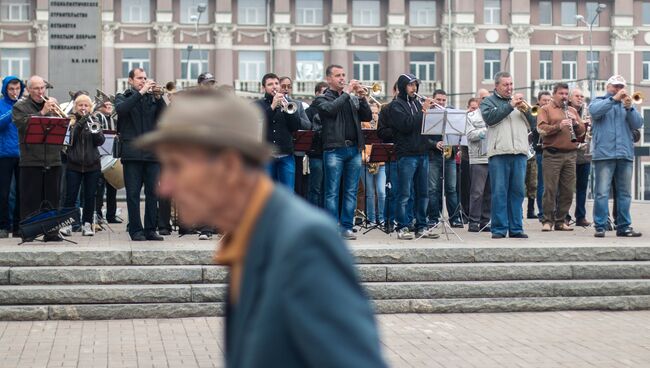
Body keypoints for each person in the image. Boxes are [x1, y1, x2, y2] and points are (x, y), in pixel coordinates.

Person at [135, 89, 387, 368]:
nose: (166, 184)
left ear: (229, 164)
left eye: (177, 166)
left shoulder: (303, 242)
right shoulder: (248, 238)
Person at [311, 64, 372, 240]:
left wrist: (362, 98)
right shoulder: (322, 99)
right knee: (331, 191)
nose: (342, 78)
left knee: (351, 190)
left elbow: (366, 116)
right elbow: (331, 110)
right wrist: (347, 93)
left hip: (353, 149)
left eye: (344, 75)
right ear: (329, 79)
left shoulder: (351, 99)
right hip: (334, 150)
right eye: (338, 75)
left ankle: (346, 226)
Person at [480, 71, 533, 239]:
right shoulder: (488, 102)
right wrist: (510, 105)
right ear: (496, 86)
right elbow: (490, 119)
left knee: (518, 192)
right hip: (499, 153)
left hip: (519, 152)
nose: (509, 88)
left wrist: (526, 110)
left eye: (511, 84)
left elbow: (534, 124)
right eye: (505, 85)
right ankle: (499, 229)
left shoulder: (521, 103)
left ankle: (516, 228)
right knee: (499, 192)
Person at [115, 67, 166, 241]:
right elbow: (121, 111)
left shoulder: (152, 99)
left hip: (152, 154)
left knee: (153, 193)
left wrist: (159, 99)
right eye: (139, 78)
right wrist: (142, 92)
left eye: (145, 78)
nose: (143, 81)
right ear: (130, 80)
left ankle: (151, 229)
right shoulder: (123, 97)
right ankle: (136, 230)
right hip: (132, 153)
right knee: (133, 194)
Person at [589, 75, 643, 238]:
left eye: (621, 86)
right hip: (604, 154)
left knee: (625, 193)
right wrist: (613, 100)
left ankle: (624, 226)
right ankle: (600, 225)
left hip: (624, 153)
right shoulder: (598, 101)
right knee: (602, 192)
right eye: (615, 86)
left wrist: (629, 108)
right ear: (608, 87)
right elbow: (594, 112)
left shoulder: (627, 104)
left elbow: (638, 124)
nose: (619, 89)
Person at [13, 75, 63, 241]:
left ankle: (52, 232)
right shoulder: (20, 107)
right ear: (28, 90)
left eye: (42, 88)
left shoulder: (51, 103)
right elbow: (22, 124)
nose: (40, 92)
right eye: (36, 88)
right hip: (31, 159)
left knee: (52, 198)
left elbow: (63, 126)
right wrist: (42, 112)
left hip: (53, 158)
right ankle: (29, 233)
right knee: (30, 199)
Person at [389, 74, 438, 240]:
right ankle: (402, 227)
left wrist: (430, 114)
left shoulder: (417, 103)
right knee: (404, 194)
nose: (414, 88)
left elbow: (424, 127)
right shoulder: (396, 106)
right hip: (407, 155)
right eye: (410, 85)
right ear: (403, 86)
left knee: (423, 193)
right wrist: (423, 111)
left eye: (415, 85)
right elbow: (406, 125)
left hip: (422, 153)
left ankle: (421, 226)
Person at [537, 82, 585, 232]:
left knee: (568, 190)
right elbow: (541, 129)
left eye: (566, 94)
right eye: (561, 94)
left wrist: (576, 123)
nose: (564, 97)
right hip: (552, 154)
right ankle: (547, 220)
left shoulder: (571, 110)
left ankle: (561, 220)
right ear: (554, 94)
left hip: (570, 154)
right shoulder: (545, 109)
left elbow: (582, 133)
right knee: (550, 189)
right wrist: (559, 126)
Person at [59, 95, 106, 236]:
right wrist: (81, 123)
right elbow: (70, 139)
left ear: (90, 108)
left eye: (86, 106)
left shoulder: (95, 120)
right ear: (75, 107)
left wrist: (96, 131)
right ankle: (67, 225)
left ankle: (87, 224)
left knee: (90, 196)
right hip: (74, 164)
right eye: (80, 105)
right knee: (71, 196)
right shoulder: (71, 121)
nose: (83, 108)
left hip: (92, 165)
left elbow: (100, 141)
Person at [254, 73, 301, 190]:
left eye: (276, 84)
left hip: (286, 155)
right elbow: (259, 125)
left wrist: (287, 110)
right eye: (270, 84)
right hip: (266, 157)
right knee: (265, 193)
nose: (274, 87)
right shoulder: (257, 105)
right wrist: (272, 107)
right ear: (263, 88)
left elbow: (295, 127)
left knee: (288, 192)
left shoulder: (287, 103)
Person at [427, 89, 462, 228]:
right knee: (433, 189)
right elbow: (423, 137)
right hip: (433, 156)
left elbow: (458, 133)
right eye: (438, 100)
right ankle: (433, 218)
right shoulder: (428, 115)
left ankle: (455, 218)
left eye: (443, 100)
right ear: (433, 100)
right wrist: (434, 143)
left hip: (449, 156)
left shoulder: (451, 115)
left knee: (451, 189)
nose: (441, 102)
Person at [278, 76, 311, 198]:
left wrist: (293, 114)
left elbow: (308, 125)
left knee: (294, 185)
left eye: (289, 87)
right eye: (283, 86)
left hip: (295, 151)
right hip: (277, 150)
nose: (286, 89)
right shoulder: (273, 104)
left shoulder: (297, 104)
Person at [0, 76, 24, 238]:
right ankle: (3, 226)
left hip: (23, 154)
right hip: (4, 154)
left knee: (22, 192)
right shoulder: (2, 105)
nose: (14, 92)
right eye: (11, 89)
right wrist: (13, 110)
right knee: (4, 193)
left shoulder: (24, 105)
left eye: (17, 89)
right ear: (5, 90)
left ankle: (17, 227)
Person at [465, 91, 492, 233]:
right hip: (478, 157)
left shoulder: (495, 114)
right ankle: (473, 221)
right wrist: (486, 131)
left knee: (490, 192)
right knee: (477, 192)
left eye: (488, 97)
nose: (486, 100)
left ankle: (485, 221)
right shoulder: (471, 116)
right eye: (483, 98)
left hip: (493, 156)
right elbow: (469, 134)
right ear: (478, 100)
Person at [93, 98, 121, 224]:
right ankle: (97, 214)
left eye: (111, 104)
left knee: (112, 187)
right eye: (106, 104)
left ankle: (111, 214)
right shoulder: (97, 118)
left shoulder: (114, 120)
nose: (109, 106)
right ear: (99, 107)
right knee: (99, 188)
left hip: (111, 156)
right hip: (99, 157)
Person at [568, 87, 592, 227]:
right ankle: (564, 216)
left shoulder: (587, 111)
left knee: (582, 188)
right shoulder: (565, 111)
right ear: (570, 98)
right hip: (569, 154)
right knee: (566, 188)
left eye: (582, 96)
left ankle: (581, 216)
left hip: (584, 154)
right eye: (577, 95)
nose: (580, 98)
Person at [360, 103, 386, 226]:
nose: (374, 116)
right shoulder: (361, 127)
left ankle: (381, 218)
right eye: (372, 113)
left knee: (381, 192)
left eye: (376, 113)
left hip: (380, 163)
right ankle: (370, 219)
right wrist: (366, 157)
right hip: (365, 163)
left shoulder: (381, 128)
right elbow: (359, 146)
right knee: (369, 193)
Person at [305, 81, 328, 208]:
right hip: (316, 153)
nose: (326, 95)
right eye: (324, 92)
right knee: (315, 187)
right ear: (316, 93)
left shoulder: (331, 108)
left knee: (328, 188)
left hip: (330, 152)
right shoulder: (310, 111)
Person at [533, 91, 552, 220]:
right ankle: (541, 213)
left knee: (551, 184)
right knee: (542, 184)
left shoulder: (551, 112)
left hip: (552, 150)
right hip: (540, 151)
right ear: (539, 101)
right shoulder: (535, 112)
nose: (546, 102)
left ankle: (550, 212)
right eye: (544, 100)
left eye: (548, 100)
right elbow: (533, 129)